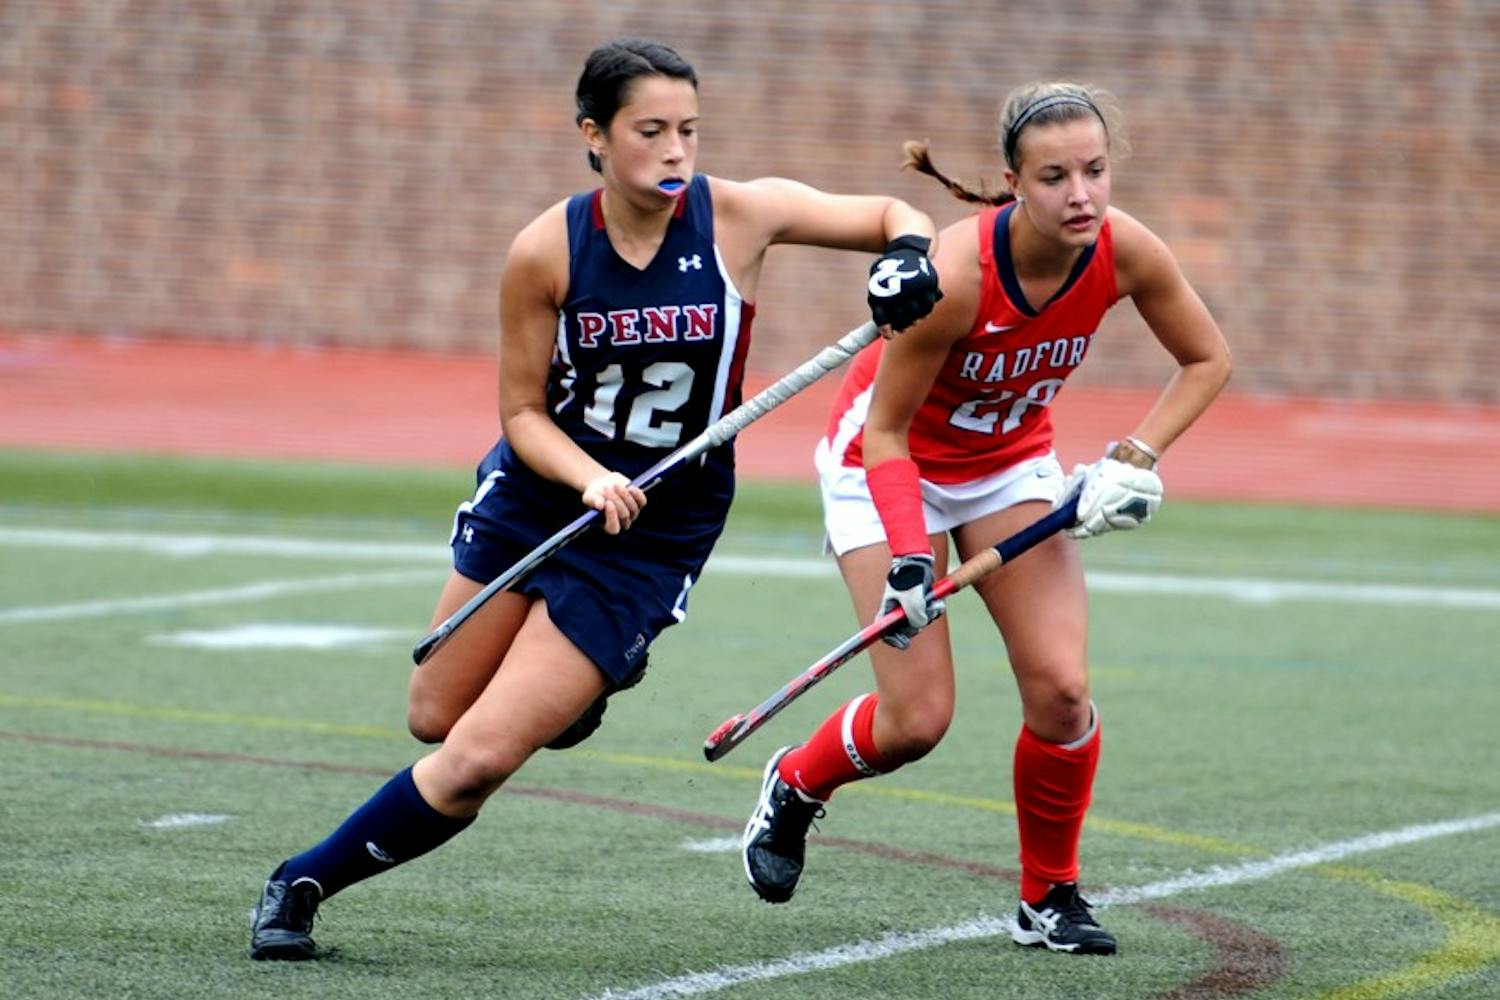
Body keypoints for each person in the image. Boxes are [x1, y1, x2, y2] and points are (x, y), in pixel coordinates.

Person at [246, 37, 940, 960]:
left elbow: (899, 211)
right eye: (649, 131)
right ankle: (575, 695)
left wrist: (908, 258)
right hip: (542, 497)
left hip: (654, 531)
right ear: (595, 135)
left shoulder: (737, 216)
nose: (675, 152)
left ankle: (301, 883)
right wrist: (587, 476)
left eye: (687, 130)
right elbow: (522, 411)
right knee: (433, 715)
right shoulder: (546, 249)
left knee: (478, 760)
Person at [741, 81, 1231, 957]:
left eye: (1095, 170)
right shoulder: (960, 278)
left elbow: (1206, 358)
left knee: (1062, 690)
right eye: (1054, 177)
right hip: (885, 466)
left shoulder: (1126, 252)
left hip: (1007, 464)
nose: (1081, 194)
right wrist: (907, 560)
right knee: (917, 723)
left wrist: (1135, 455)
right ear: (1013, 182)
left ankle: (1048, 898)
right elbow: (885, 432)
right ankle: (795, 782)